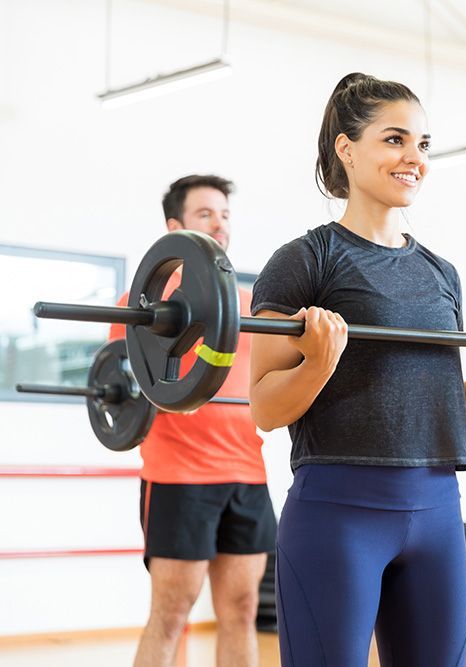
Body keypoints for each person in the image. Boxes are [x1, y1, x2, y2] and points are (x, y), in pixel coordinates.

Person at [248, 73, 466, 666]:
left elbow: (431, 400)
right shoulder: (305, 260)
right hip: (339, 510)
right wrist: (319, 362)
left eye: (423, 144)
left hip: (437, 509)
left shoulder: (442, 273)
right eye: (395, 140)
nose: (415, 158)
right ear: (347, 148)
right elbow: (265, 407)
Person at [110, 175, 276, 667]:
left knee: (242, 610)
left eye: (224, 215)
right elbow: (117, 385)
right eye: (206, 214)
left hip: (247, 476)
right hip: (179, 475)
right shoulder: (141, 308)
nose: (219, 224)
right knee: (171, 614)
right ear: (175, 226)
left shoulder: (250, 307)